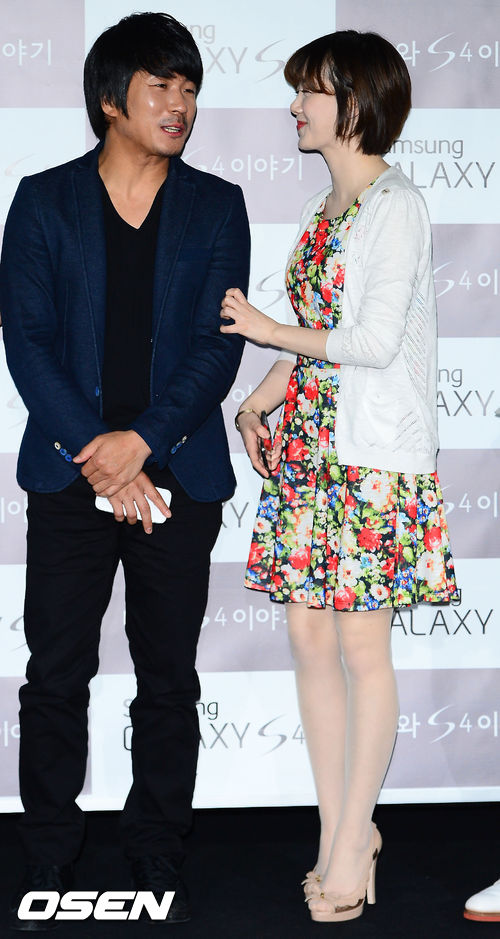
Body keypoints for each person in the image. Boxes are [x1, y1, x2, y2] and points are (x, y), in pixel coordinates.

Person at [1, 11, 249, 929]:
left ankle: (156, 844)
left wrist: (140, 444)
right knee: (55, 670)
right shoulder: (42, 200)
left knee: (167, 674)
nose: (180, 104)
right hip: (70, 476)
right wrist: (101, 456)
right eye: (160, 86)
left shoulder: (217, 205)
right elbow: (26, 341)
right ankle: (49, 846)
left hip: (177, 472)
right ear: (112, 99)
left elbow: (216, 350)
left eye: (189, 89)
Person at [221, 30, 457, 925]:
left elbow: (370, 342)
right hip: (311, 454)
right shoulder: (324, 210)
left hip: (371, 459)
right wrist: (256, 404)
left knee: (363, 648)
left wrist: (265, 328)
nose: (295, 106)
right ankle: (337, 833)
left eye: (309, 92)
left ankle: (356, 839)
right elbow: (312, 337)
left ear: (354, 103)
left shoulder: (396, 205)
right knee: (309, 639)